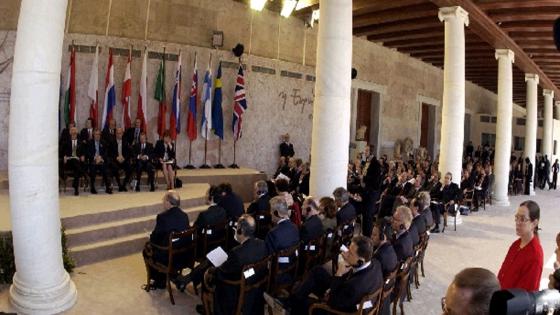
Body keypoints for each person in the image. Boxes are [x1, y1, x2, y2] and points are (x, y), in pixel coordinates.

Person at [265, 236, 383, 315]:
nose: (345, 253)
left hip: (338, 308)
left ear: (360, 261)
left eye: (350, 253)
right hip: (345, 293)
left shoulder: (355, 286)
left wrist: (338, 274)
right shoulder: (375, 264)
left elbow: (332, 301)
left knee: (303, 302)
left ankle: (290, 305)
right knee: (318, 271)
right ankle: (290, 301)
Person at [142, 191, 189, 289]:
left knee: (147, 250)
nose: (162, 202)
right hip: (183, 255)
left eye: (164, 200)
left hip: (168, 256)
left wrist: (150, 237)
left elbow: (155, 239)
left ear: (168, 202)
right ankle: (173, 276)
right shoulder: (184, 216)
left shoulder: (162, 217)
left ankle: (159, 281)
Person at [497, 200, 544, 291]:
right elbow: (503, 273)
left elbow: (526, 294)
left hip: (512, 303)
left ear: (534, 223)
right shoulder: (516, 244)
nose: (517, 223)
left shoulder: (535, 256)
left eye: (522, 219)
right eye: (517, 218)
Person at [59, 126, 86, 195]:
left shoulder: (80, 142)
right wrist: (63, 156)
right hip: (68, 162)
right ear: (70, 133)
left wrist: (83, 156)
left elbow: (83, 152)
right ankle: (83, 173)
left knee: (76, 167)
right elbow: (60, 152)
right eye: (72, 132)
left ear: (77, 133)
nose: (74, 134)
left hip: (77, 162)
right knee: (74, 161)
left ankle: (76, 188)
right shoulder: (65, 142)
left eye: (75, 133)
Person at [86, 129, 112, 194]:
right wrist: (95, 158)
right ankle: (92, 187)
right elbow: (88, 153)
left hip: (101, 161)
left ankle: (108, 187)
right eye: (96, 134)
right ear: (93, 135)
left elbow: (106, 153)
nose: (97, 136)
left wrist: (100, 157)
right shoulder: (90, 142)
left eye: (99, 134)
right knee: (92, 170)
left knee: (105, 169)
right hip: (93, 161)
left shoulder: (103, 142)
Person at [108, 127, 132, 192]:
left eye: (120, 133)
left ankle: (124, 185)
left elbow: (129, 152)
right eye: (117, 133)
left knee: (130, 168)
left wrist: (124, 158)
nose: (119, 135)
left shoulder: (126, 141)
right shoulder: (112, 141)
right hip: (115, 160)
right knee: (114, 167)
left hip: (124, 160)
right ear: (115, 134)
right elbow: (110, 153)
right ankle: (119, 185)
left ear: (122, 133)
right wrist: (116, 157)